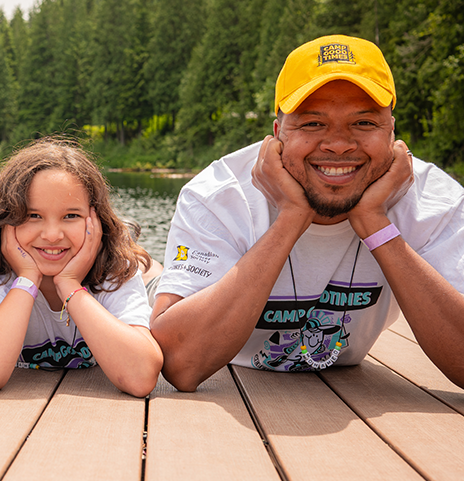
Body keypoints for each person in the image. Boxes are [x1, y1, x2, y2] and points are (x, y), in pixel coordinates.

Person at [150, 34, 464, 391]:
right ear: (277, 134)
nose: (339, 144)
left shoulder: (434, 200)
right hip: (217, 342)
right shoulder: (218, 195)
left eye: (363, 123)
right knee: (151, 284)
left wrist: (375, 223)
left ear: (391, 132)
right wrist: (291, 217)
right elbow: (178, 363)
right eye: (313, 123)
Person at [0, 138, 162, 396]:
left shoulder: (115, 273)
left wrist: (69, 285)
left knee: (146, 269)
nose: (53, 235)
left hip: (87, 278)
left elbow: (141, 377)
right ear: (5, 221)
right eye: (33, 216)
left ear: (95, 220)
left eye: (71, 216)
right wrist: (27, 279)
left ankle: (138, 251)